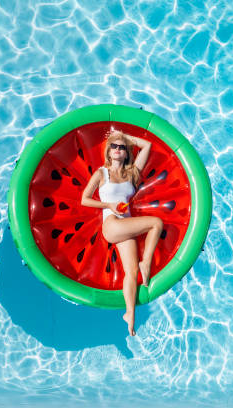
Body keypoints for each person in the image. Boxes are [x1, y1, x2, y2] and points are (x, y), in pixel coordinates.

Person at [81, 130, 163, 336]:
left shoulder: (132, 174)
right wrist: (107, 204)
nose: (118, 149)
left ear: (126, 152)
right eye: (114, 146)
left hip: (126, 226)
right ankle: (147, 262)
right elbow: (85, 199)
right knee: (156, 223)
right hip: (111, 225)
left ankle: (129, 314)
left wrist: (123, 135)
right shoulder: (102, 174)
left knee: (132, 272)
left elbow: (147, 146)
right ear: (109, 152)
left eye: (122, 147)